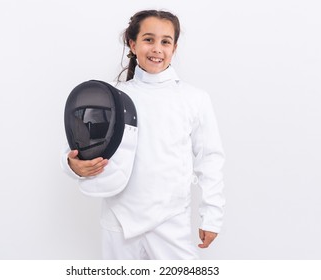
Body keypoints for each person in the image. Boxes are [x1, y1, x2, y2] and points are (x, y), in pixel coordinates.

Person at [61, 9, 225, 260]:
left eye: (165, 41)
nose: (157, 48)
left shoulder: (194, 99)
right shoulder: (111, 95)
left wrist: (212, 215)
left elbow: (210, 158)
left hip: (171, 218)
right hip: (119, 219)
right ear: (133, 44)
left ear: (175, 48)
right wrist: (72, 164)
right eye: (148, 39)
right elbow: (81, 146)